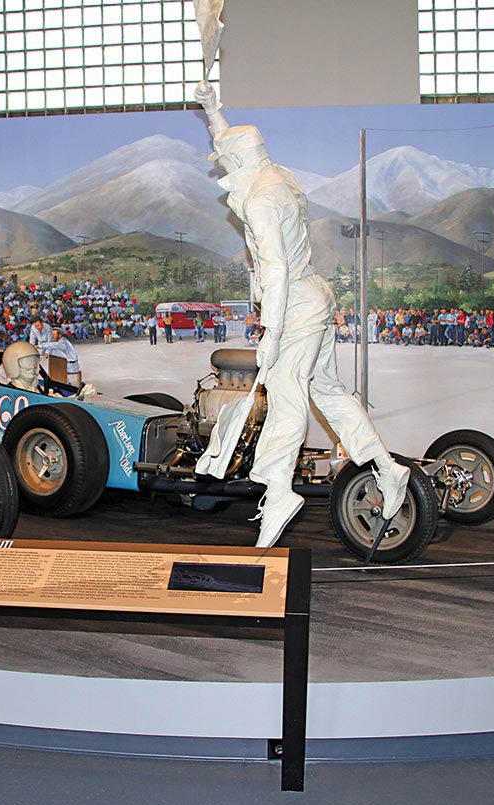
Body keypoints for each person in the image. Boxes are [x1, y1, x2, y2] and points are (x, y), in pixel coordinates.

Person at [193, 79, 410, 548]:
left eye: (227, 163)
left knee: (286, 396)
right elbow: (237, 146)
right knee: (327, 391)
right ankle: (386, 467)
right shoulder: (280, 176)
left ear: (241, 162)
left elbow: (275, 267)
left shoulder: (260, 199)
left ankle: (277, 491)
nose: (224, 169)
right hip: (315, 297)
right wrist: (213, 110)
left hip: (293, 305)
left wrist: (270, 332)